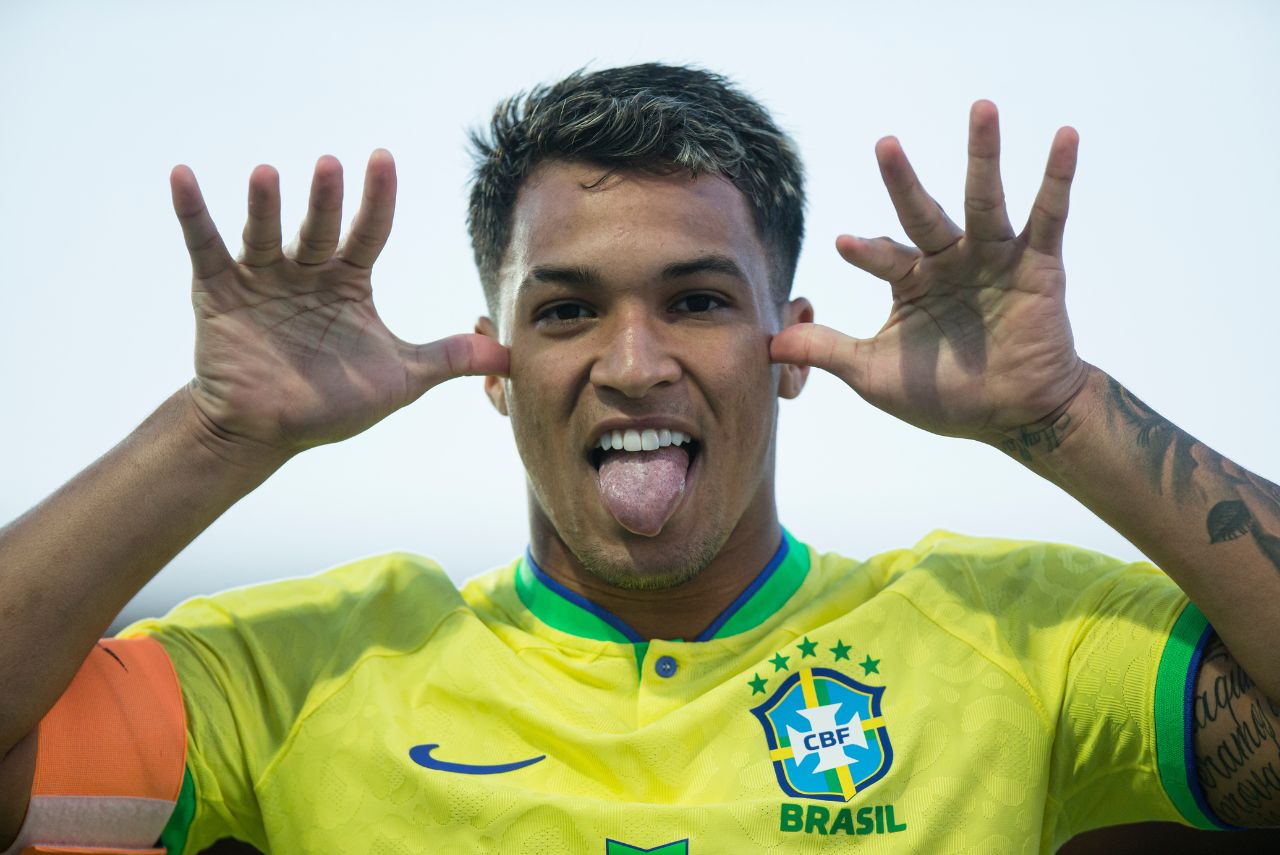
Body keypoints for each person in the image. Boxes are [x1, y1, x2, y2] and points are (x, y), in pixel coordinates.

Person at [0, 62, 1276, 854]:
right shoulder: (301, 671)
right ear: (494, 368)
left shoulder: (1013, 639)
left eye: (697, 302)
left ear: (789, 348)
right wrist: (214, 434)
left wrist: (1062, 412)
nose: (631, 362)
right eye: (563, 312)